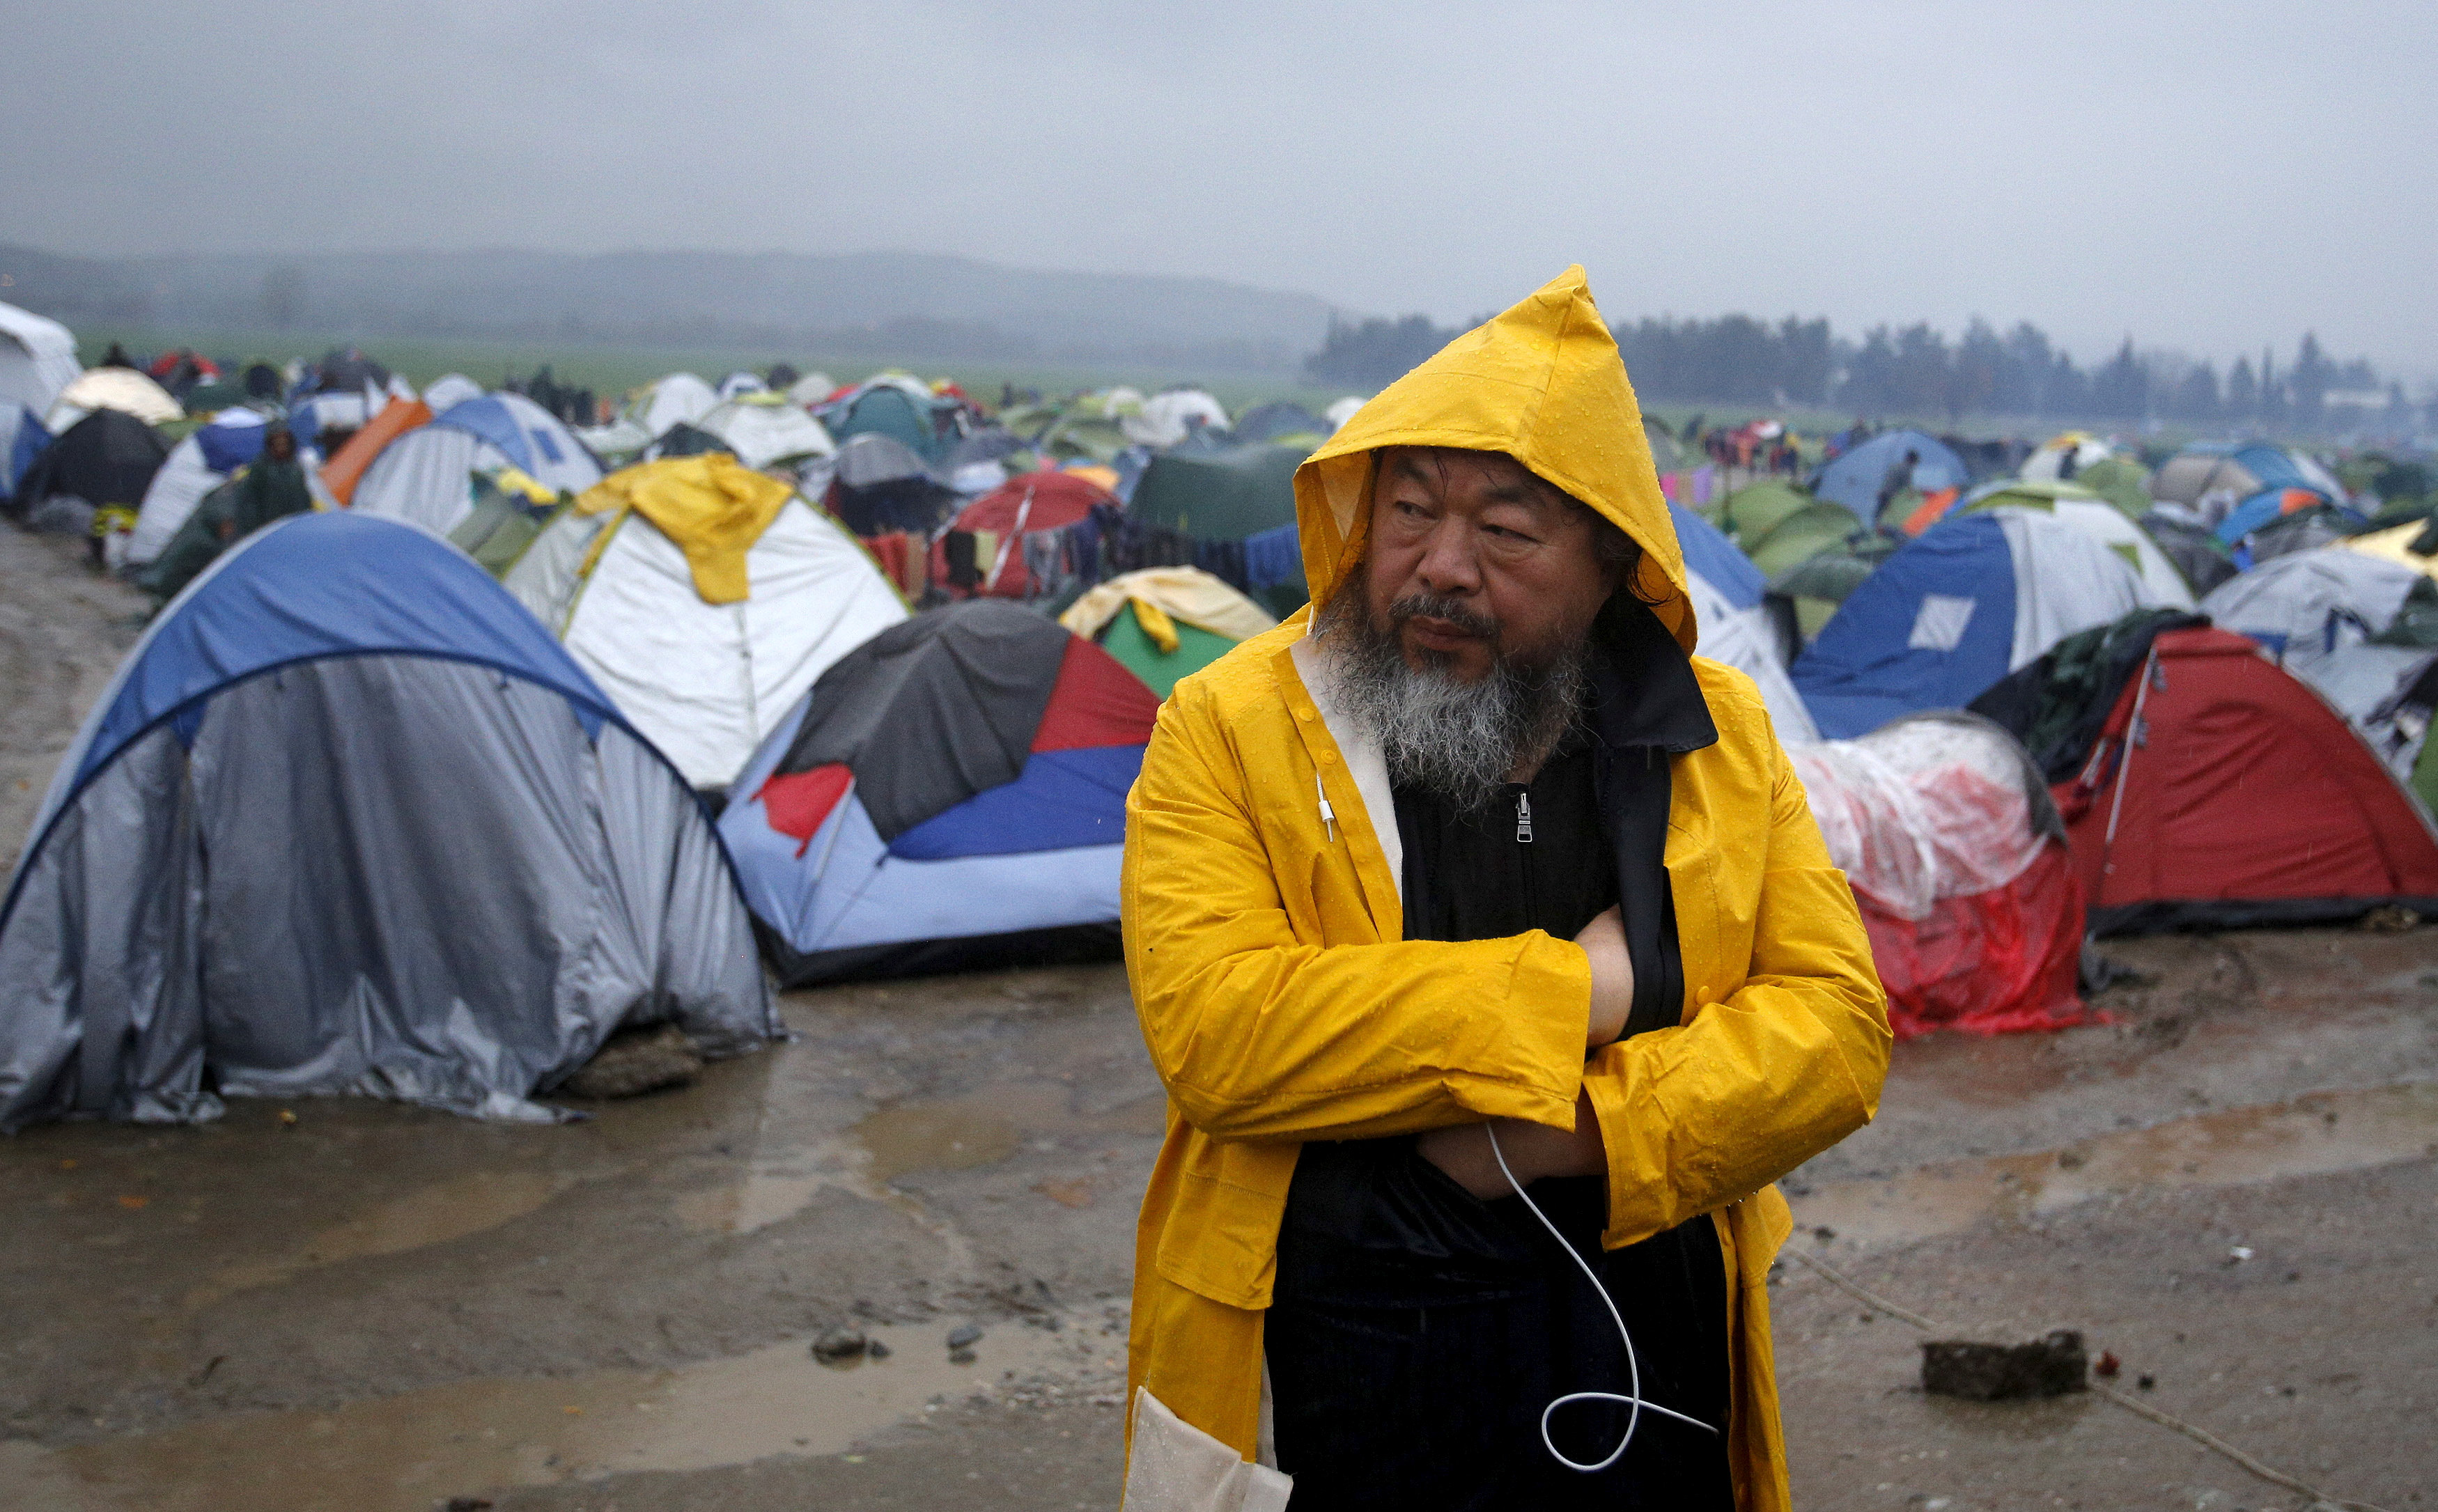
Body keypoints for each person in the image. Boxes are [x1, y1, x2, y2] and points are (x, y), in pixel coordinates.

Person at [1120, 268, 1890, 1512]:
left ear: (1611, 562)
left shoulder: (1719, 742)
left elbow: (1836, 1035)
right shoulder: (1228, 727)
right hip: (1342, 1370)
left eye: (1509, 532)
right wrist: (1582, 986)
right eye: (1409, 511)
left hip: (1648, 1350)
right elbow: (1223, 1032)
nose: (1442, 568)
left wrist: (1563, 1138)